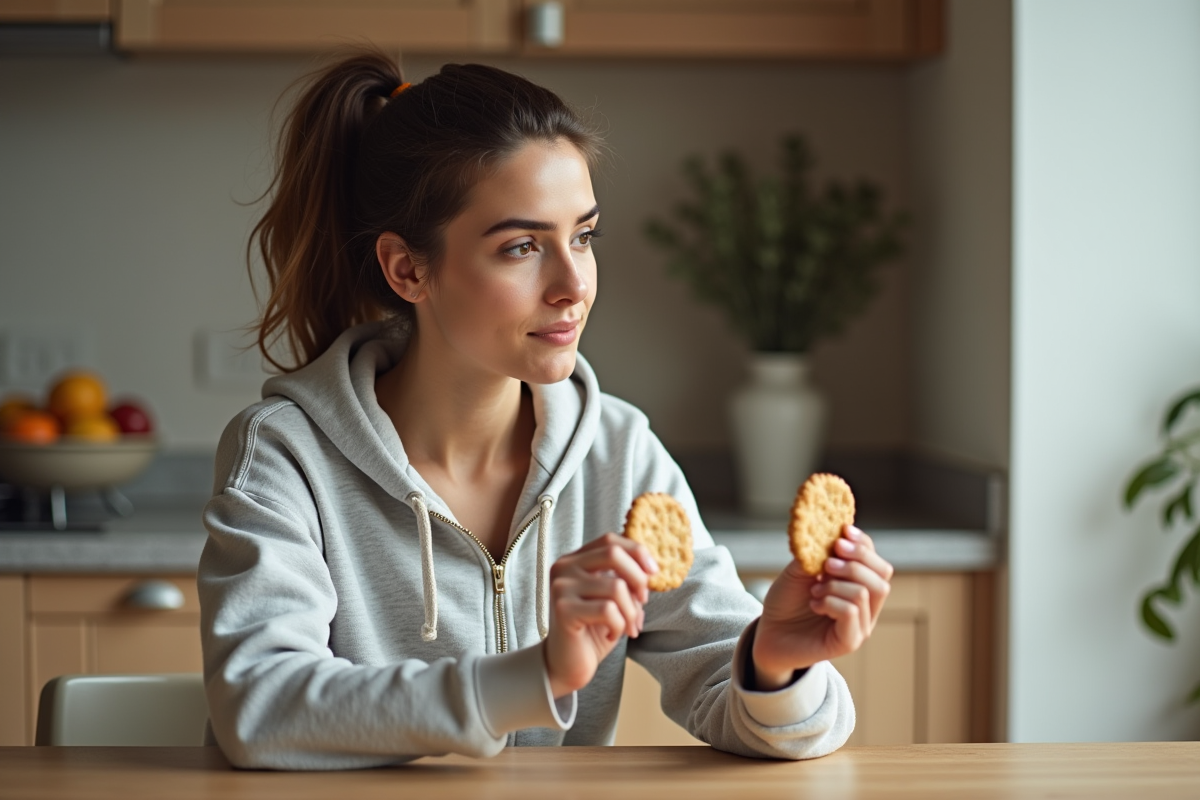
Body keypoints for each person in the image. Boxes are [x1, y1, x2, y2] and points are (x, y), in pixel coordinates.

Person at [198, 49, 894, 770]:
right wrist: (536, 678)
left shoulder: (618, 453)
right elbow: (260, 707)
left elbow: (763, 713)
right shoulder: (286, 455)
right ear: (408, 269)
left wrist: (773, 663)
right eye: (523, 246)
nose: (572, 285)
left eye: (583, 237)